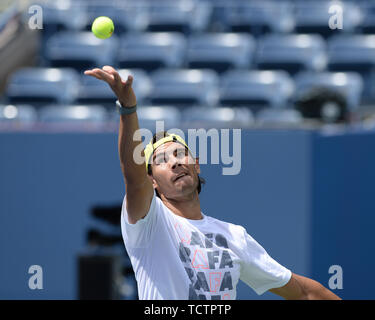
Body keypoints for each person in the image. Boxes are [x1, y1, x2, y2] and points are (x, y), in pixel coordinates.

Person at [84, 66, 341, 300]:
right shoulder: (149, 222)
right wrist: (128, 109)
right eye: (162, 160)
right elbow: (133, 176)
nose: (174, 162)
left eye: (179, 153)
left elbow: (306, 293)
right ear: (152, 180)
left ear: (196, 164)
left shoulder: (234, 236)